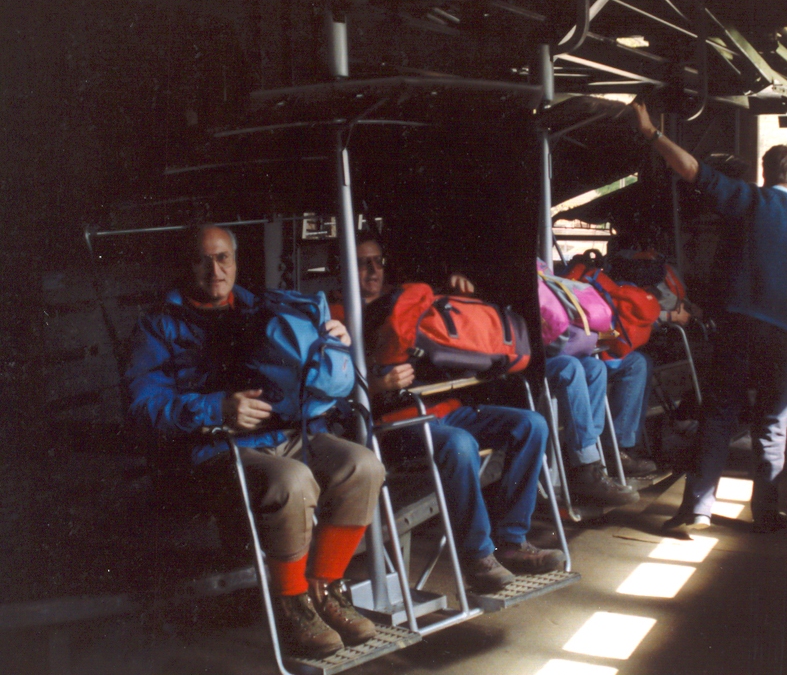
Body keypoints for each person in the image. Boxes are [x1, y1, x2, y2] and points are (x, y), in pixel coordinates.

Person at [126, 225, 386, 658]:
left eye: (223, 258)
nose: (214, 270)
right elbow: (142, 406)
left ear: (236, 261)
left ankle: (325, 589)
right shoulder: (158, 326)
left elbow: (310, 366)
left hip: (289, 433)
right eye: (202, 260)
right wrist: (215, 408)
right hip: (217, 449)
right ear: (186, 265)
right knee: (292, 481)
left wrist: (331, 341)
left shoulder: (264, 306)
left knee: (363, 466)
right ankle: (293, 604)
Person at [631, 102, 787, 534]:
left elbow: (691, 169)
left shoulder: (748, 200)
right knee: (772, 423)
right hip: (783, 338)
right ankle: (766, 513)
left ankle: (697, 509)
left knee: (719, 415)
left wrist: (651, 131)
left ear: (764, 171)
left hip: (738, 330)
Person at [351, 233, 566, 593]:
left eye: (377, 261)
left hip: (445, 410)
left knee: (533, 424)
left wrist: (459, 302)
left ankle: (511, 541)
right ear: (342, 267)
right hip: (393, 425)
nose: (373, 270)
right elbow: (331, 387)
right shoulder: (338, 315)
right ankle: (478, 556)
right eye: (362, 263)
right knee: (460, 444)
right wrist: (376, 383)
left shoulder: (408, 301)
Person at [545, 353, 641, 506]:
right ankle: (585, 466)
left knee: (595, 367)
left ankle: (588, 460)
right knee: (570, 366)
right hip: (531, 358)